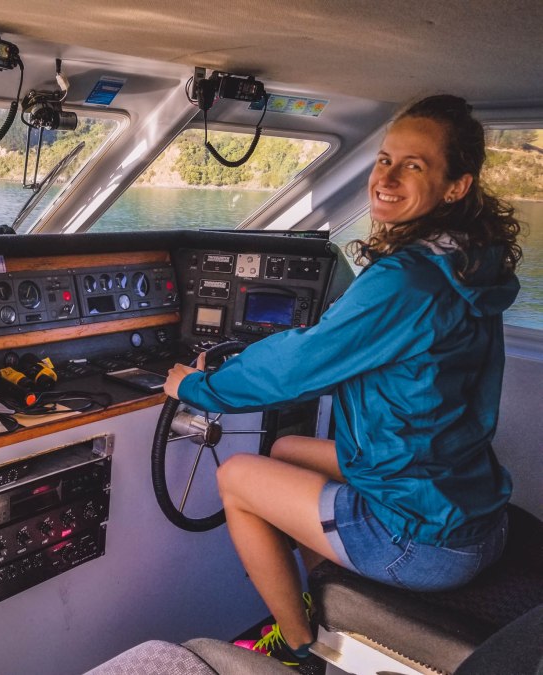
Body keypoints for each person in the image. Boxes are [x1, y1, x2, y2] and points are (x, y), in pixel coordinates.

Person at [164, 94, 522, 668]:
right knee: (286, 449)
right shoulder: (467, 263)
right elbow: (386, 366)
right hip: (468, 509)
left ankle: (299, 646)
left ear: (456, 187)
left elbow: (298, 366)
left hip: (422, 540)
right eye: (385, 159)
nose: (388, 177)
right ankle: (327, 603)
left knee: (236, 478)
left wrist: (197, 389)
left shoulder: (407, 279)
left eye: (414, 165)